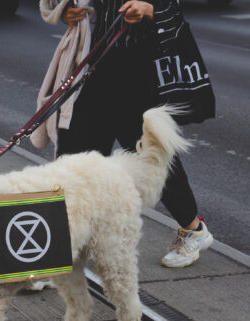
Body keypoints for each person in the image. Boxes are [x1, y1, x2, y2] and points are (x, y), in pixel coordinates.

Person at [38, 0, 214, 268]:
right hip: (96, 64)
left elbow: (174, 8)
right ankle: (58, 249)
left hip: (140, 67)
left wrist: (149, 8)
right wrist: (63, 10)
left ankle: (193, 229)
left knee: (151, 152)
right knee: (73, 159)